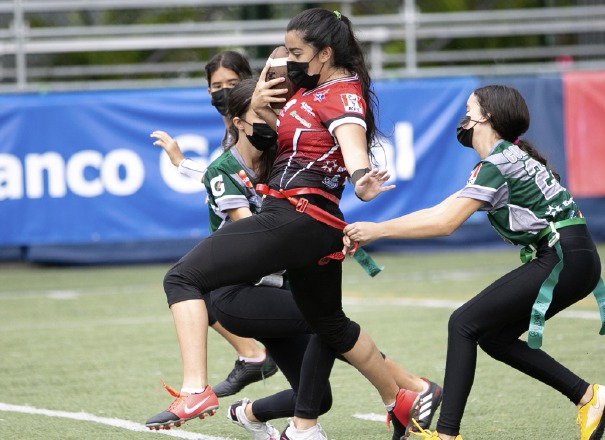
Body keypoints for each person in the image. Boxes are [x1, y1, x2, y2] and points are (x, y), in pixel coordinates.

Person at [147, 9, 422, 440]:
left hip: (296, 216)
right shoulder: (308, 93)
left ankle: (195, 389)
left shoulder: (340, 91)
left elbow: (350, 136)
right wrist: (259, 105)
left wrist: (360, 178)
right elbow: (274, 149)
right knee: (331, 325)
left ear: (325, 53)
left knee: (182, 278)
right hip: (318, 225)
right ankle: (399, 399)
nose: (286, 60)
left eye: (296, 52)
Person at [343, 85, 605, 440]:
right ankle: (588, 396)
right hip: (575, 257)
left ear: (485, 116)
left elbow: (445, 223)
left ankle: (446, 435)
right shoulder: (505, 158)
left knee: (463, 323)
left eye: (469, 108)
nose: (464, 117)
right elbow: (443, 210)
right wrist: (376, 229)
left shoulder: (496, 165)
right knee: (493, 337)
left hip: (564, 257)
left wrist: (378, 230)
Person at [152, 50, 279, 399]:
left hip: (271, 240)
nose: (223, 92)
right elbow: (224, 175)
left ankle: (404, 387)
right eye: (216, 86)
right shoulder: (234, 129)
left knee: (189, 283)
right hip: (260, 236)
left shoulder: (259, 124)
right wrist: (183, 164)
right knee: (198, 289)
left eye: (232, 84)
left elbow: (232, 177)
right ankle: (253, 355)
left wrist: (182, 165)